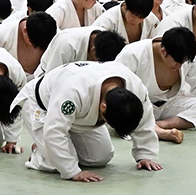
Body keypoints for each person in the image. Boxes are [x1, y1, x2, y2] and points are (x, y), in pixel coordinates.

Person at [20, 61, 163, 182]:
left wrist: (145, 154)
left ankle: (51, 147)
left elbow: (145, 120)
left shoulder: (135, 87)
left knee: (100, 158)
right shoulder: (74, 91)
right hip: (41, 105)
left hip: (80, 115)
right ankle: (39, 154)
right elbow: (54, 130)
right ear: (103, 107)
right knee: (55, 164)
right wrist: (73, 172)